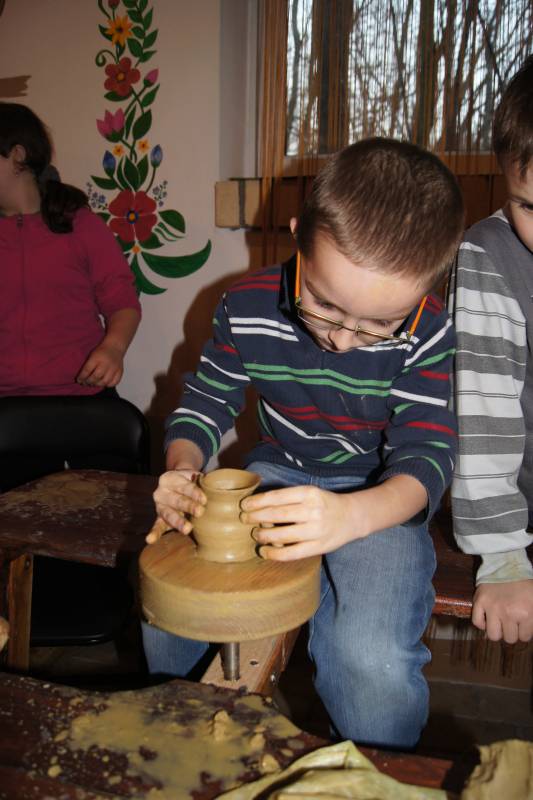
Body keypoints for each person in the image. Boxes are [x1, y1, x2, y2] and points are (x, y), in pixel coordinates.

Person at [145, 137, 464, 749]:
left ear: (428, 287)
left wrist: (351, 516)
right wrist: (183, 469)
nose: (342, 339)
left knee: (368, 656)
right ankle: (178, 750)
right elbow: (206, 400)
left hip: (379, 496)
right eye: (323, 305)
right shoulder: (245, 305)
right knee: (175, 599)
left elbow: (426, 457)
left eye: (379, 325)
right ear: (297, 237)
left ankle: (373, 774)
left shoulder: (429, 330)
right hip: (278, 472)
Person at [0, 102, 142, 489]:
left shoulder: (79, 225)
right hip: (6, 407)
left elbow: (122, 301)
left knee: (102, 505)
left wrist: (113, 348)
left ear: (17, 155)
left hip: (82, 400)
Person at [448, 56, 533, 645]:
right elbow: (482, 421)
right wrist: (503, 559)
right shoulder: (487, 257)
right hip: (518, 508)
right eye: (530, 206)